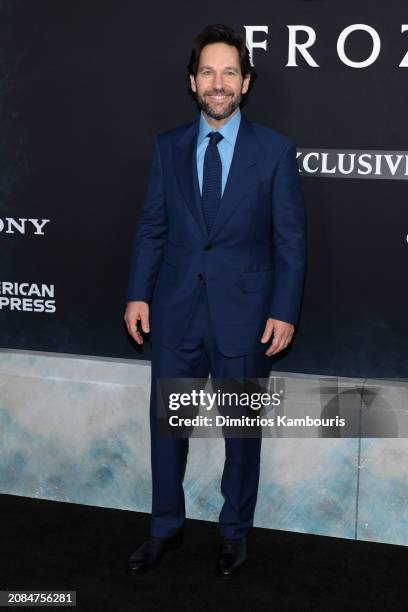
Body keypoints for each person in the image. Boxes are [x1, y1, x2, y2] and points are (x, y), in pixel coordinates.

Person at [124, 23, 306, 579]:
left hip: (247, 318)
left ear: (246, 83)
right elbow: (153, 227)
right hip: (176, 311)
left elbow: (290, 240)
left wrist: (284, 309)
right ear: (192, 80)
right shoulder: (168, 147)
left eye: (230, 72)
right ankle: (164, 528)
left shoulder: (275, 151)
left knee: (241, 435)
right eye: (208, 71)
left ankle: (234, 533)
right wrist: (137, 293)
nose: (218, 82)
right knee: (168, 430)